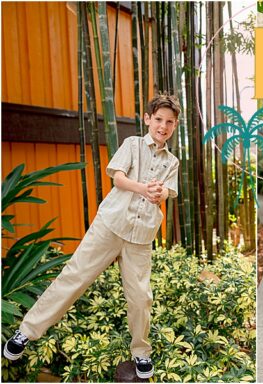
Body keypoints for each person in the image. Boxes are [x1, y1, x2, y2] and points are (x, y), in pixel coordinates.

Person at [3, 94, 182, 379]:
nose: (163, 126)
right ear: (147, 119)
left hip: (140, 236)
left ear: (174, 126)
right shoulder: (132, 145)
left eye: (169, 122)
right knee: (74, 278)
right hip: (110, 225)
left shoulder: (172, 161)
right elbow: (118, 178)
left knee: (140, 297)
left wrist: (159, 194)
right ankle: (26, 332)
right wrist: (143, 189)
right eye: (158, 119)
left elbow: (166, 192)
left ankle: (141, 353)